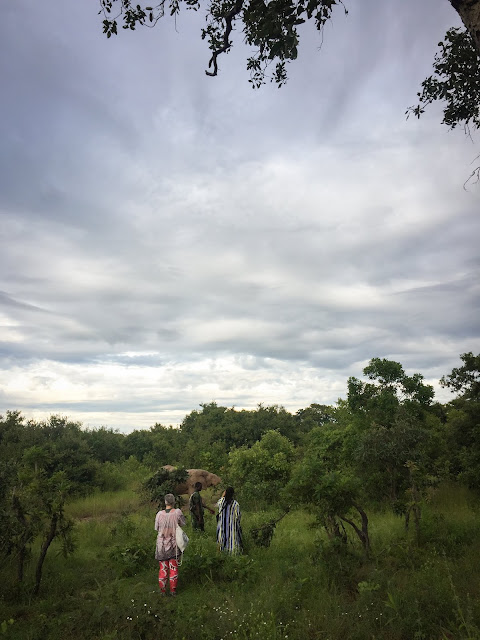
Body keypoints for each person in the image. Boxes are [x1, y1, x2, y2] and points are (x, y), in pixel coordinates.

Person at [154, 493, 186, 596]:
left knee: (163, 568)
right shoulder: (177, 512)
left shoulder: (159, 514)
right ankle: (173, 591)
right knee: (173, 567)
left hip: (162, 545)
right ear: (174, 502)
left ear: (165, 502)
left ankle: (162, 591)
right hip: (174, 544)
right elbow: (182, 523)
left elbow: (156, 528)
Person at [216, 486, 243, 554]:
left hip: (222, 529)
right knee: (232, 544)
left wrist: (224, 494)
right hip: (232, 529)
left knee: (221, 544)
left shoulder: (221, 502)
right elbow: (238, 517)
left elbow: (221, 499)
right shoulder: (235, 504)